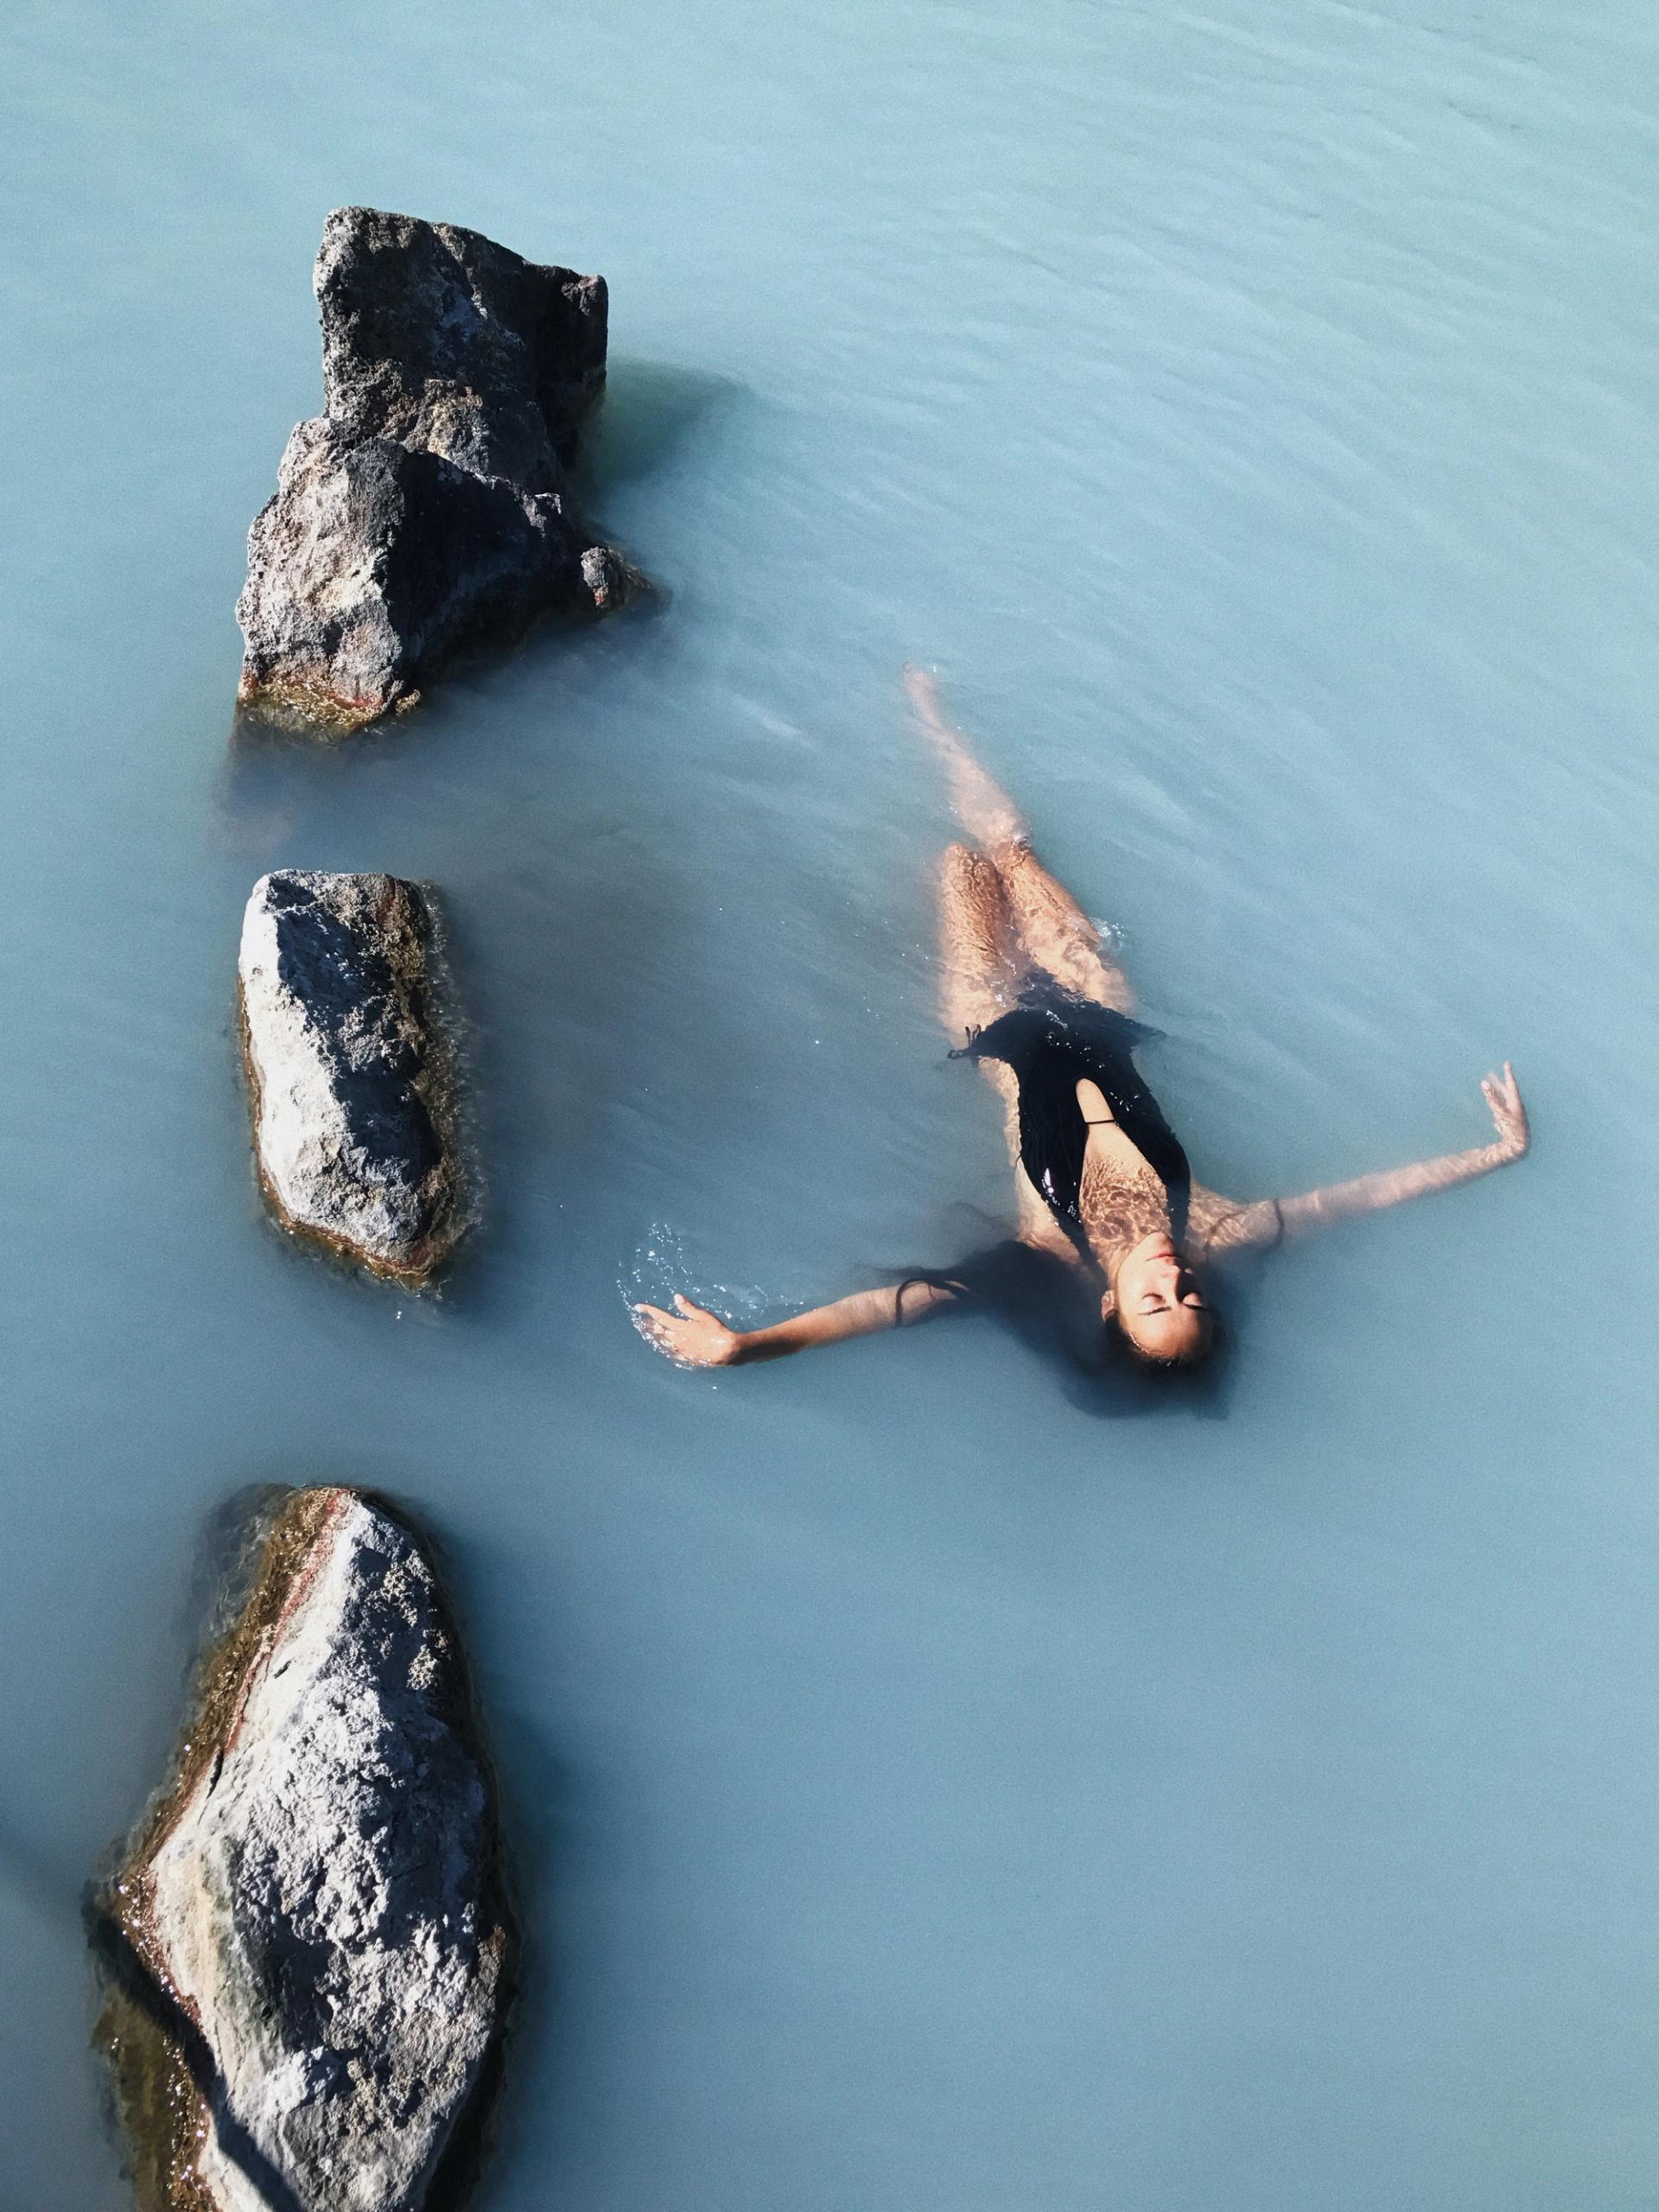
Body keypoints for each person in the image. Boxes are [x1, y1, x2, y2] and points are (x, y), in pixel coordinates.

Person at [635, 671, 1529, 1373]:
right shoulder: (1220, 1228)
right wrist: (1498, 1152)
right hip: (1100, 1009)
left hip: (999, 1026)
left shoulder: (1049, 1253)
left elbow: (898, 1304)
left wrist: (749, 1344)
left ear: (1110, 1305)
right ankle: (933, 716)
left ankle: (910, 731)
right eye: (1192, 1303)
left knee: (959, 868)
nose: (1176, 1287)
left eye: (1154, 1306)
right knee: (1013, 847)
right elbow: (1365, 1195)